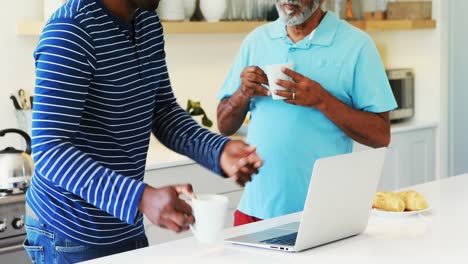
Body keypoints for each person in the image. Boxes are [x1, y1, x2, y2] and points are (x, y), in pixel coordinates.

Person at [24, 0, 263, 263]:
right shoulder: (71, 30)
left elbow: (163, 113)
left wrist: (219, 150)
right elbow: (50, 149)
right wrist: (141, 197)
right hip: (71, 233)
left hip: (125, 223)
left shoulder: (147, 23)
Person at [217, 0, 397, 226]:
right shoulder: (256, 41)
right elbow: (224, 125)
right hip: (253, 211)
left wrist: (321, 100)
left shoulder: (358, 46)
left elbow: (381, 135)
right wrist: (242, 93)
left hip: (323, 216)